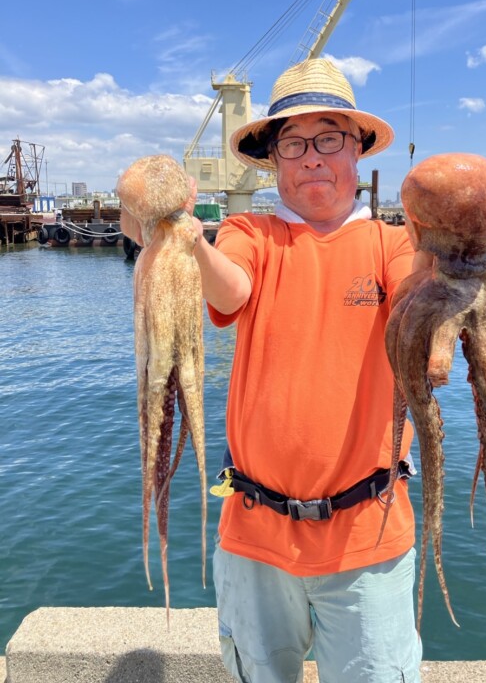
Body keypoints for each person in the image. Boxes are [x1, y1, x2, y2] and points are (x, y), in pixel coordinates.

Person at [123, 57, 426, 682]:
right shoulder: (249, 233)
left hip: (368, 540)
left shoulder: (395, 247)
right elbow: (230, 290)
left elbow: (424, 310)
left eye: (329, 138)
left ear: (358, 150)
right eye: (293, 143)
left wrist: (464, 257)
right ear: (273, 160)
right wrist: (177, 233)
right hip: (254, 538)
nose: (311, 156)